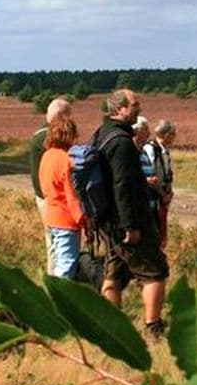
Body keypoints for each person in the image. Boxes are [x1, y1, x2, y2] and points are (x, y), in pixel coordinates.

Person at [91, 89, 171, 338]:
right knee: (155, 272)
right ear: (119, 109)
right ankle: (153, 327)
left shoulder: (101, 134)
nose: (139, 107)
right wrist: (131, 227)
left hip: (108, 221)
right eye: (135, 104)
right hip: (127, 222)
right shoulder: (121, 143)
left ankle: (113, 326)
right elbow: (122, 186)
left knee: (114, 272)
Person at [38, 113, 85, 279]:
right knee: (66, 267)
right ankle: (57, 301)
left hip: (50, 216)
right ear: (69, 136)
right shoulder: (66, 160)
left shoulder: (46, 156)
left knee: (58, 260)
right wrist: (82, 219)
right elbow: (71, 195)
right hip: (65, 219)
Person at [29, 97, 72, 273]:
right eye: (68, 116)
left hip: (45, 196)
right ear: (61, 116)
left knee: (54, 241)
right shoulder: (47, 137)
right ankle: (55, 282)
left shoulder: (39, 133)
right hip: (51, 198)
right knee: (56, 242)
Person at [143, 119, 176, 248]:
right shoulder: (150, 149)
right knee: (156, 228)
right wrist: (163, 194)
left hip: (163, 196)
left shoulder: (165, 151)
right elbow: (151, 176)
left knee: (162, 229)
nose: (174, 137)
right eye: (173, 134)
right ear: (167, 134)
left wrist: (169, 192)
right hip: (153, 196)